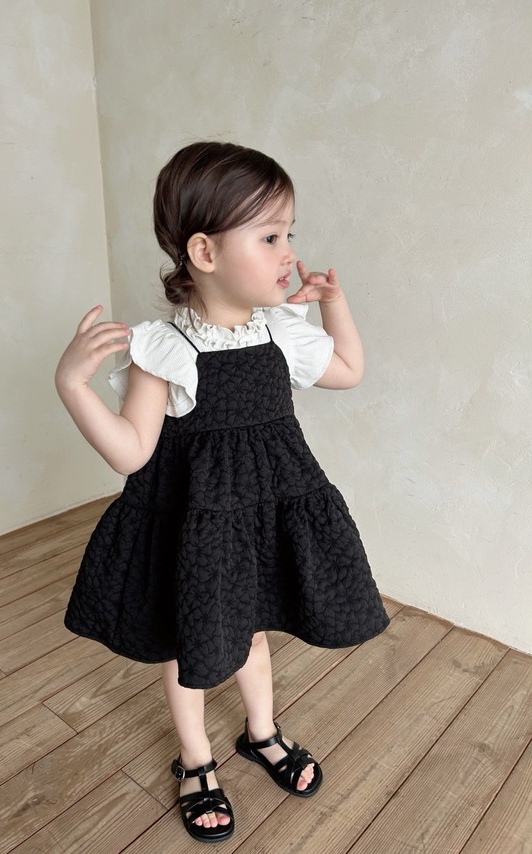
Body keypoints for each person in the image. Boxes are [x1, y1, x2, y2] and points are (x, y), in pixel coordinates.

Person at [54, 140, 390, 843]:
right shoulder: (164, 350)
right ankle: (195, 759)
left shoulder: (282, 332)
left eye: (289, 235)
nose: (289, 254)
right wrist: (72, 386)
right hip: (198, 525)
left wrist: (335, 306)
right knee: (194, 645)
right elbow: (131, 450)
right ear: (204, 252)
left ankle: (261, 732)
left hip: (263, 516)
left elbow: (349, 370)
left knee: (252, 632)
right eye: (270, 237)